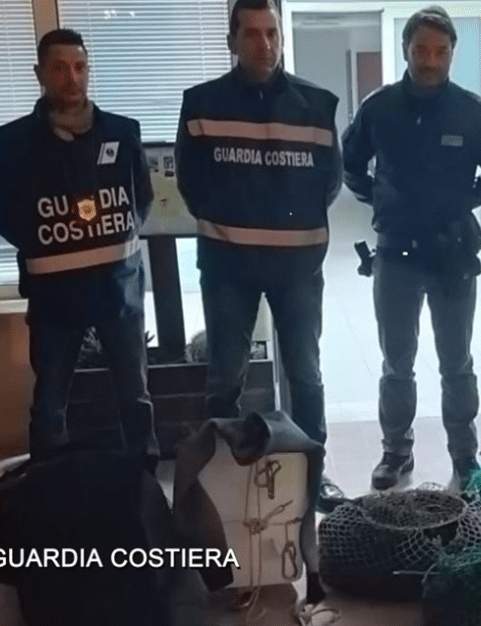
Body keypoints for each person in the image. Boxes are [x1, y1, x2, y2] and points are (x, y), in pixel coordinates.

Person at [174, 0, 344, 513]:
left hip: (298, 267)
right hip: (228, 267)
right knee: (225, 378)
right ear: (232, 41)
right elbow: (190, 185)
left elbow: (330, 184)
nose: (264, 44)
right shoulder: (201, 104)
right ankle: (224, 478)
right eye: (251, 34)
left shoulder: (317, 105)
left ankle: (313, 477)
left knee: (305, 376)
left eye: (272, 33)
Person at [342, 5, 481, 491]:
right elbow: (350, 162)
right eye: (421, 50)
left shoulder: (472, 111)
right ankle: (396, 452)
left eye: (440, 51)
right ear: (406, 50)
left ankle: (465, 456)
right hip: (395, 254)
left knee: (457, 364)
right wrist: (381, 199)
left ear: (452, 53)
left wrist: (465, 201)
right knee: (397, 364)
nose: (431, 60)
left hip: (453, 254)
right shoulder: (379, 107)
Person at [0, 29, 160, 469]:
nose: (72, 77)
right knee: (50, 403)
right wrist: (46, 238)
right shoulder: (9, 144)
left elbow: (142, 199)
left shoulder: (123, 132)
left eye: (80, 67)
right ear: (40, 74)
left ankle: (144, 485)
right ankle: (48, 488)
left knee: (135, 398)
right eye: (60, 68)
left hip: (118, 290)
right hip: (53, 296)